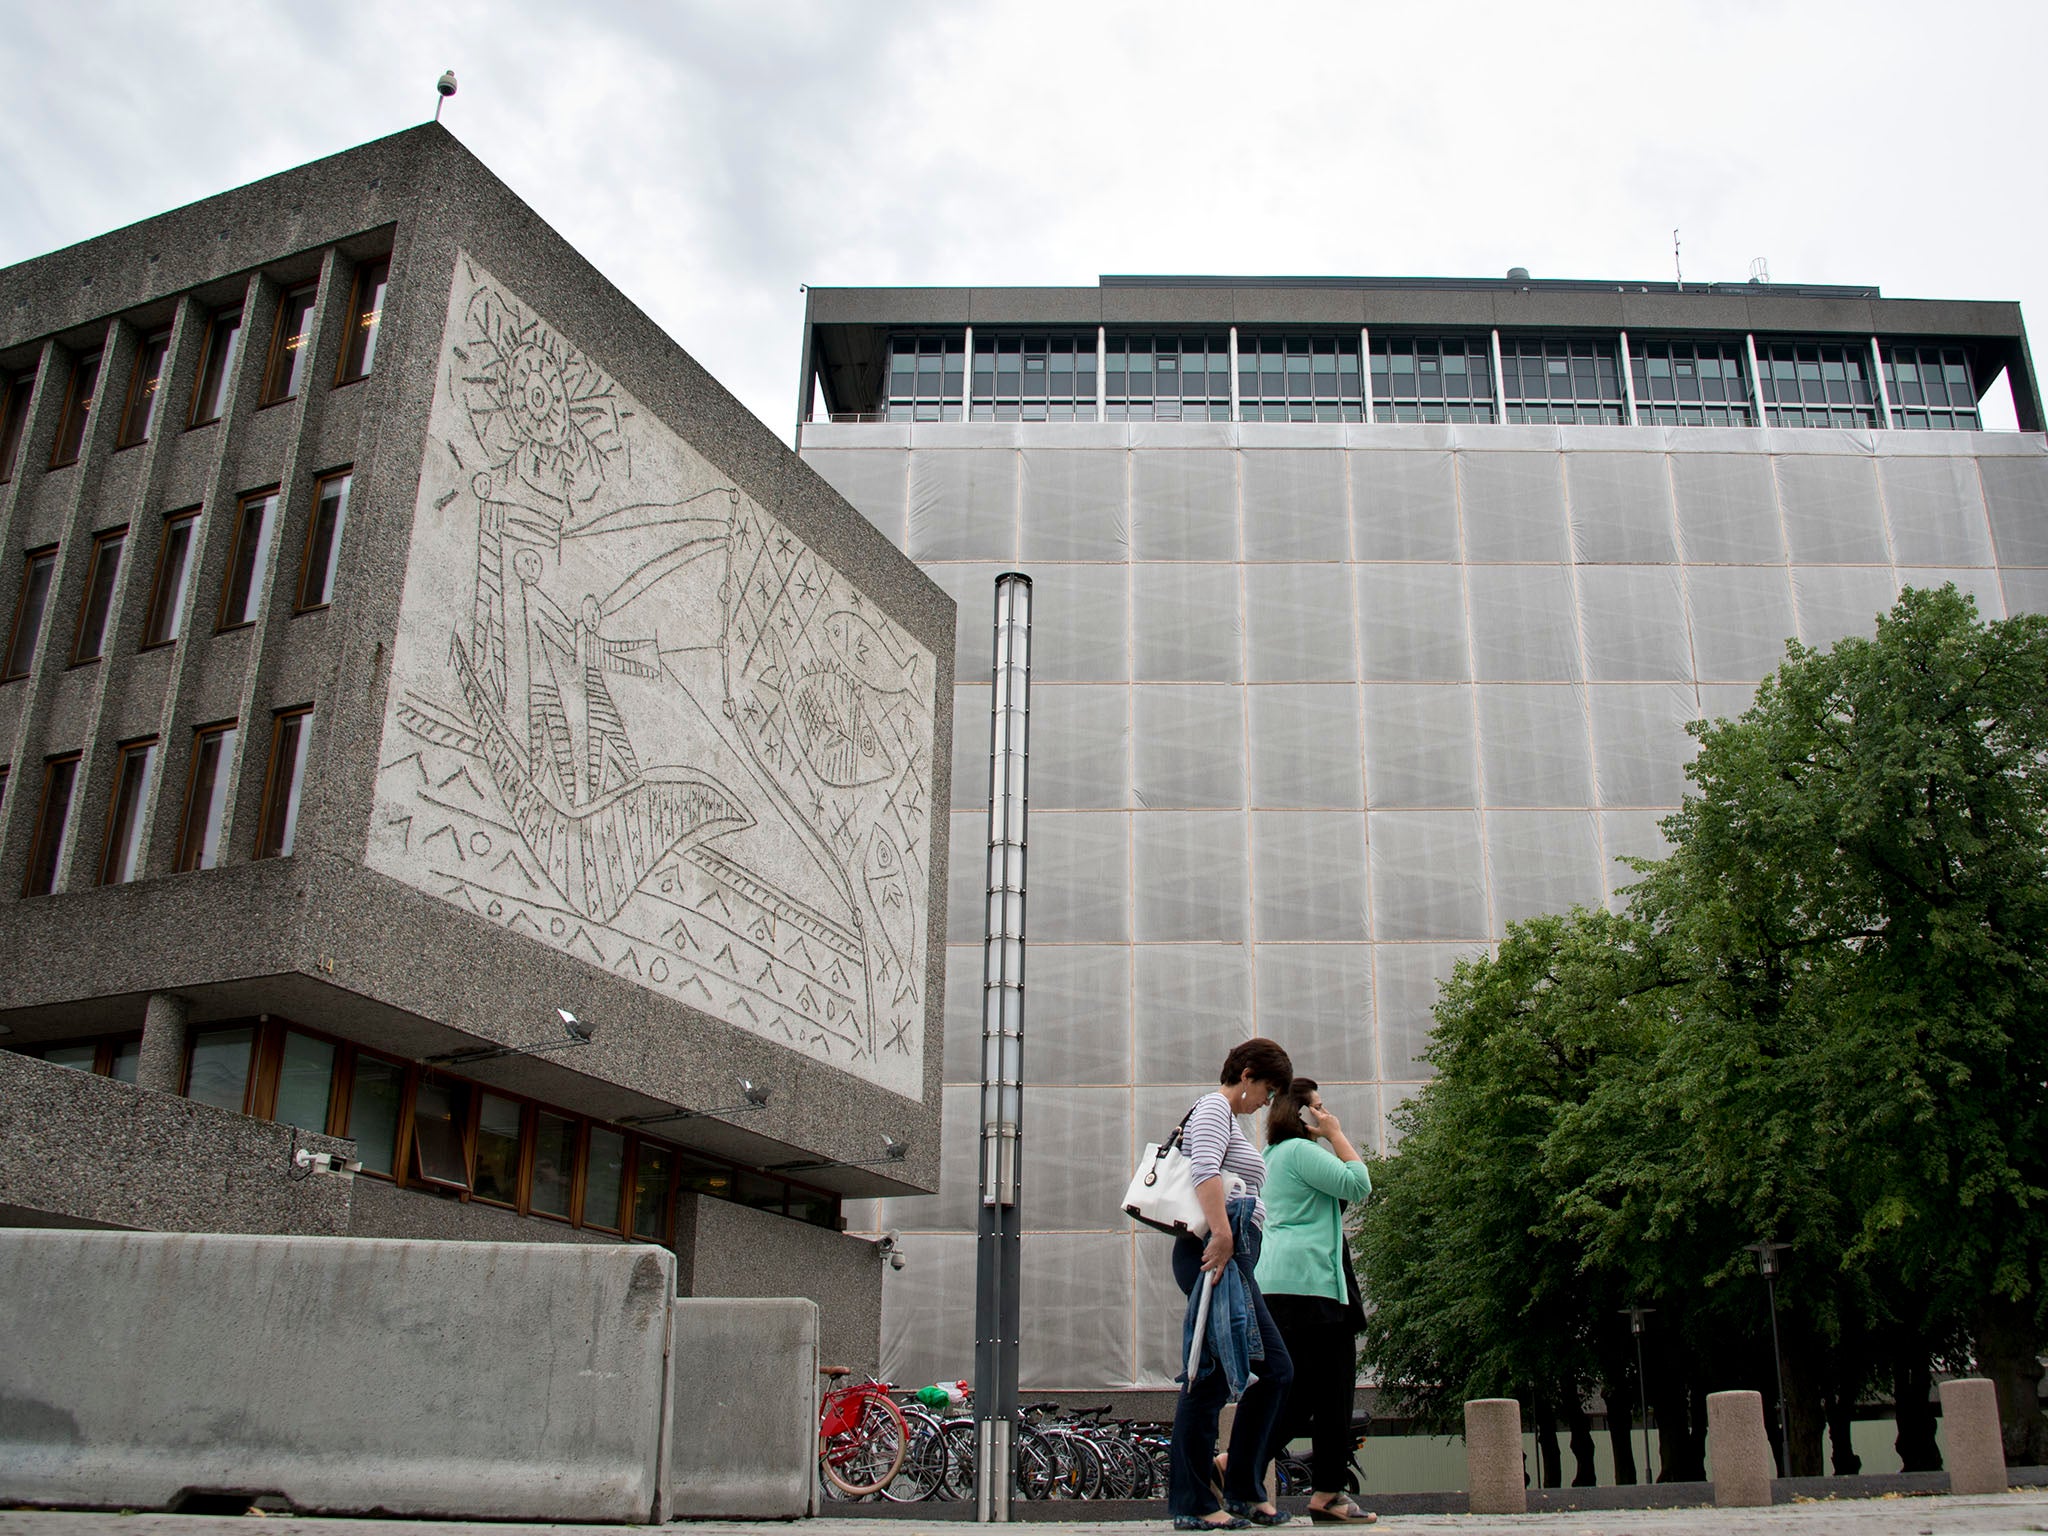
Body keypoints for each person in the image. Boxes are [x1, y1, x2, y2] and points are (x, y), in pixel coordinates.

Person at [1169, 1038, 1296, 1531]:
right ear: (1247, 1074)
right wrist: (1222, 1236)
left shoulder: (1229, 1117)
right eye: (1268, 1088)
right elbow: (1204, 1171)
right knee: (1214, 1375)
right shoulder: (1213, 1108)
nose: (1268, 1100)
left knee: (1263, 1370)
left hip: (1231, 1252)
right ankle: (1195, 1501)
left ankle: (1240, 1487)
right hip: (1216, 1250)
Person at [1253, 1079, 1375, 1523]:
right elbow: (1359, 1183)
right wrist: (1336, 1134)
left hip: (1282, 1284)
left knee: (1302, 1391)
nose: (1325, 1114)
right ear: (1301, 1114)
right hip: (1313, 1286)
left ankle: (1239, 1463)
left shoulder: (1271, 1157)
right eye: (1319, 1108)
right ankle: (1327, 1493)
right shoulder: (1303, 1153)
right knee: (1334, 1389)